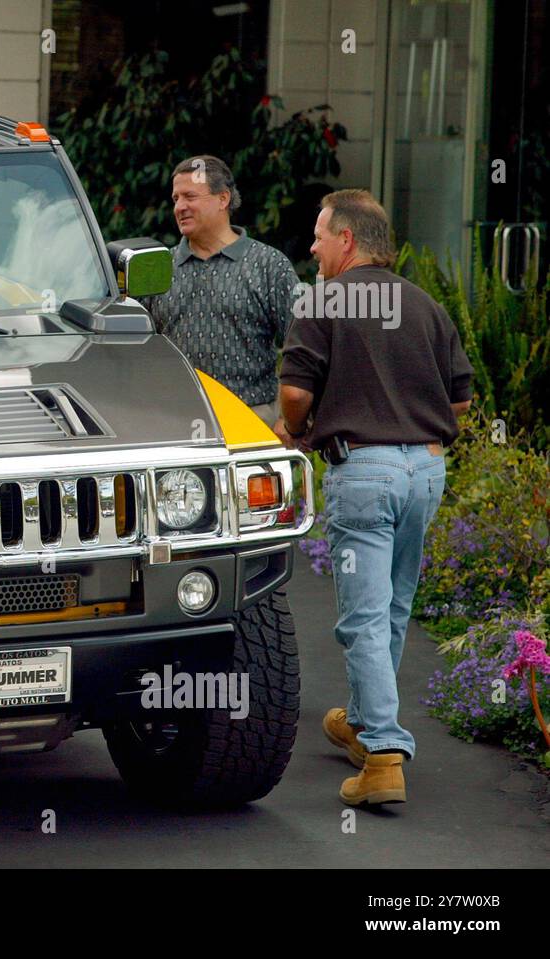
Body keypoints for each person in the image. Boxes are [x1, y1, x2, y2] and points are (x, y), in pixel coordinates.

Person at [276, 189, 474, 806]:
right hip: (425, 474)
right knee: (390, 609)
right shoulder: (426, 306)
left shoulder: (322, 300)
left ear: (348, 241)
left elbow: (293, 398)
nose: (311, 247)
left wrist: (303, 433)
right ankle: (363, 724)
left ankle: (385, 755)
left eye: (318, 235)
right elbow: (461, 403)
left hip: (363, 471)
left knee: (362, 615)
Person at [144, 155, 299, 426]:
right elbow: (135, 350)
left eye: (190, 196)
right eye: (176, 198)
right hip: (174, 422)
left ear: (223, 199)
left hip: (253, 419)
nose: (180, 207)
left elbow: (302, 345)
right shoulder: (157, 270)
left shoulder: (269, 265)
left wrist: (288, 420)